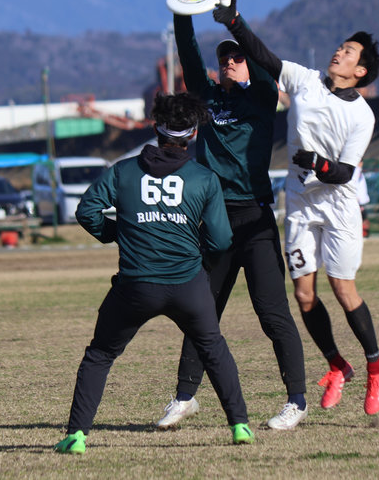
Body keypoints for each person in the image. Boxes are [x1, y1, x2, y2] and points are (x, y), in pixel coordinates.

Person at [211, 0, 379, 416]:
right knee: (304, 295)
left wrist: (318, 164)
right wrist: (233, 20)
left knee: (342, 288)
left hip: (338, 205)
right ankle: (337, 365)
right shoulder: (306, 80)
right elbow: (264, 56)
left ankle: (376, 366)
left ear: (360, 70)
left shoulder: (362, 116)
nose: (338, 52)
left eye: (348, 52)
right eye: (340, 46)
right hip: (301, 205)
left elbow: (344, 173)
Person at [54, 92, 255, 454]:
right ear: (193, 134)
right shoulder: (204, 178)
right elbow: (222, 239)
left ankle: (77, 436)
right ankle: (240, 426)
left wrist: (118, 233)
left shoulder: (123, 171)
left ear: (155, 128)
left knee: (100, 355)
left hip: (135, 286)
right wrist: (199, 257)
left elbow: (87, 211)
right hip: (188, 285)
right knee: (213, 349)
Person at [157, 0, 308, 431]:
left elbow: (261, 59)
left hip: (255, 219)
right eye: (224, 58)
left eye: (235, 58)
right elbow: (188, 55)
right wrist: (182, 11)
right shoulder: (208, 99)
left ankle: (296, 401)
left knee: (272, 313)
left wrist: (231, 21)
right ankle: (184, 397)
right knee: (200, 312)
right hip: (215, 222)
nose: (229, 62)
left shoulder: (261, 95)